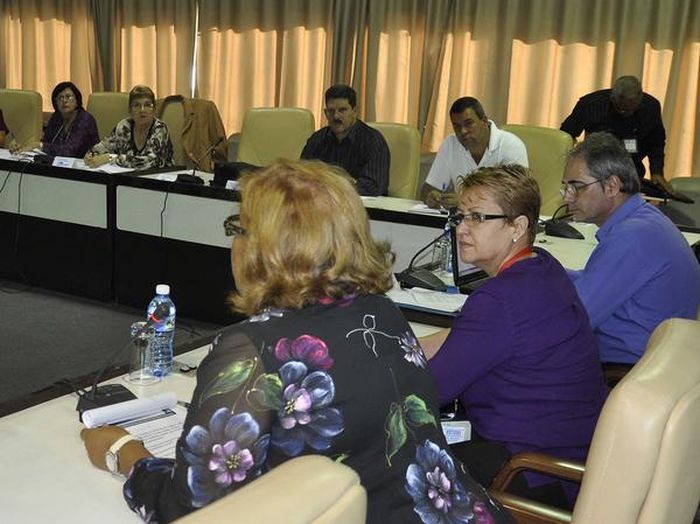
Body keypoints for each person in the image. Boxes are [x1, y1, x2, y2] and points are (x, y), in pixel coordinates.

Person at [80, 160, 513, 524]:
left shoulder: (249, 350)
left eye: (238, 227)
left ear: (264, 247)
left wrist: (126, 455)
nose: (232, 241)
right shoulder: (381, 312)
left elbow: (189, 507)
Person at [421, 165, 607, 507]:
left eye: (477, 217)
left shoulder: (497, 302)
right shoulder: (542, 265)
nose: (461, 228)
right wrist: (411, 346)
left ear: (517, 227)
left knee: (401, 471)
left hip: (534, 471)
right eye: (459, 216)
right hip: (576, 455)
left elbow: (428, 391)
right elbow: (470, 338)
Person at [562, 132, 700, 368]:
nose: (567, 198)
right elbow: (595, 280)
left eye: (578, 188)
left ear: (612, 185)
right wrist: (546, 271)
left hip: (624, 370)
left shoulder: (631, 237)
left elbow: (574, 320)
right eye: (565, 188)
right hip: (662, 360)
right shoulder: (645, 219)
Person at [560, 76, 678, 198]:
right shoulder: (591, 104)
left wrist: (657, 172)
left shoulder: (651, 107)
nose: (629, 114)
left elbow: (657, 142)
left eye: (633, 109)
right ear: (613, 98)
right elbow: (564, 136)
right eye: (623, 110)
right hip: (595, 169)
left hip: (631, 170)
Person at [421, 97, 528, 209]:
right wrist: (431, 197)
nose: (463, 131)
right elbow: (427, 189)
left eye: (469, 124)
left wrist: (466, 201)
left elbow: (517, 197)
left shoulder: (511, 145)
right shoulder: (451, 144)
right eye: (457, 126)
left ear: (484, 121)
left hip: (499, 222)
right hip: (462, 220)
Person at [301, 84, 390, 196]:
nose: (336, 117)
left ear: (354, 110)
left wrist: (329, 186)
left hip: (362, 210)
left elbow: (372, 188)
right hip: (321, 207)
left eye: (342, 110)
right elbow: (301, 177)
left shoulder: (373, 141)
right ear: (325, 113)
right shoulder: (317, 140)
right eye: (331, 111)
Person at [85, 85, 173, 170]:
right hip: (129, 180)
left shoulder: (160, 129)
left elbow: (151, 162)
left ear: (154, 110)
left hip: (161, 181)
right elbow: (103, 146)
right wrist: (92, 154)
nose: (142, 110)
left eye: (147, 105)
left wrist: (111, 158)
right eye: (137, 105)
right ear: (130, 110)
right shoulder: (124, 126)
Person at [40, 81, 99, 157]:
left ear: (77, 100)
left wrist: (41, 146)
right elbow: (46, 141)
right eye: (60, 97)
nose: (64, 101)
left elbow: (70, 151)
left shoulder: (85, 119)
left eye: (68, 97)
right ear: (55, 102)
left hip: (84, 165)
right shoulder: (56, 117)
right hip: (58, 164)